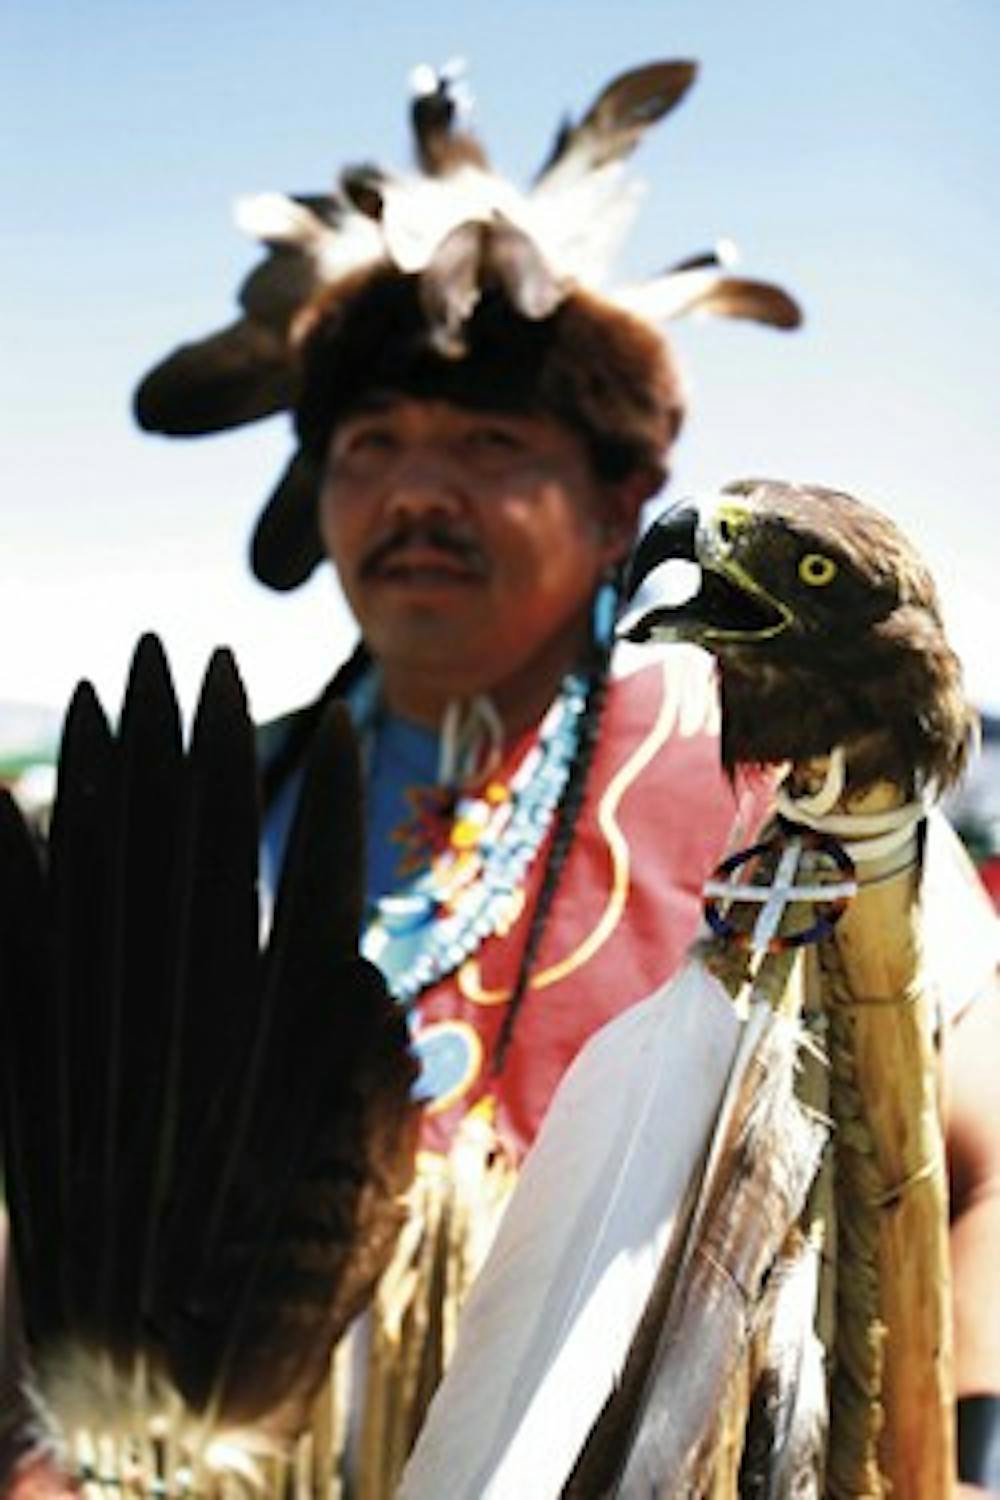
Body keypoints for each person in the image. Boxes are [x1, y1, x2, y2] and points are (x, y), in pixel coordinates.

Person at [4, 59, 1000, 1499]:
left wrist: (953, 1458)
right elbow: (61, 1207)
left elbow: (986, 1161)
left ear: (614, 509)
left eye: (487, 446)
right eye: (371, 447)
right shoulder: (219, 817)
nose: (417, 493)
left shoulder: (771, 791)